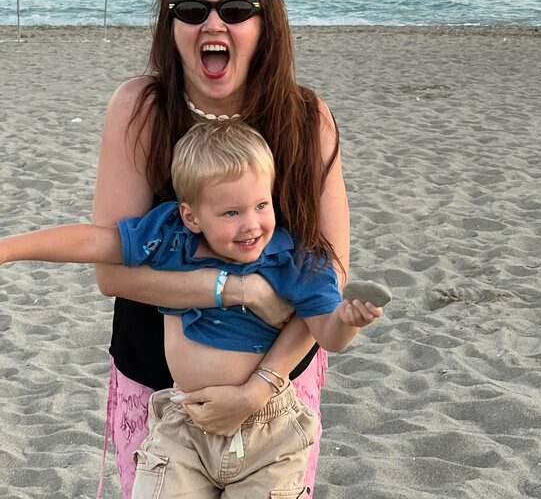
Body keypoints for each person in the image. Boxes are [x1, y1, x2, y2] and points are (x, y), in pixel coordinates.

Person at [92, 0, 351, 497]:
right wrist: (238, 290)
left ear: (264, 24)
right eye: (192, 9)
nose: (213, 22)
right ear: (172, 26)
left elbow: (330, 272)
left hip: (276, 396)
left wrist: (259, 388)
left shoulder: (306, 119)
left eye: (235, 9)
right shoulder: (141, 109)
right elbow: (110, 272)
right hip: (158, 389)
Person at [0, 121, 382, 497]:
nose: (251, 224)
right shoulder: (171, 239)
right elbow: (95, 243)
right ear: (191, 216)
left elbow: (329, 337)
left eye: (261, 205)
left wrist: (347, 321)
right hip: (184, 424)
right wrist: (9, 249)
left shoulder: (291, 259)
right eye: (231, 213)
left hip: (268, 431)